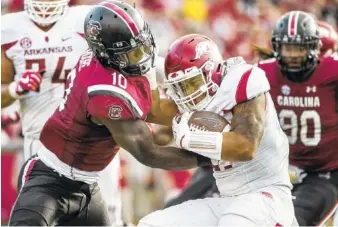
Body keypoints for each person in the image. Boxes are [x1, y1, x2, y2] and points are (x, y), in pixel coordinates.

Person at [8, 1, 210, 226]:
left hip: (88, 187)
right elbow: (149, 152)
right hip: (49, 180)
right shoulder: (104, 94)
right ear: (106, 55)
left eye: (142, 46)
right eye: (131, 54)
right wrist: (209, 156)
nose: (141, 57)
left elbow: (154, 101)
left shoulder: (115, 57)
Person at [138, 34, 295, 226]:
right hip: (227, 199)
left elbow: (246, 147)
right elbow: (154, 111)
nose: (187, 93)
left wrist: (191, 139)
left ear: (211, 71)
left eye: (191, 83)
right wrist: (144, 65)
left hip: (268, 197)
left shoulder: (242, 80)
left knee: (235, 221)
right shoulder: (194, 99)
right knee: (152, 223)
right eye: (180, 87)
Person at [0, 0, 126, 224]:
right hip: (41, 146)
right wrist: (14, 89)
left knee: (110, 217)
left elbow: (124, 63)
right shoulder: (9, 28)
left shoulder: (89, 18)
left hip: (94, 144)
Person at [257, 11, 338, 226]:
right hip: (277, 171)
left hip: (323, 172)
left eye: (299, 48)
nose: (292, 54)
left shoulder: (332, 72)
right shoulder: (262, 73)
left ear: (313, 48)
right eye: (287, 47)